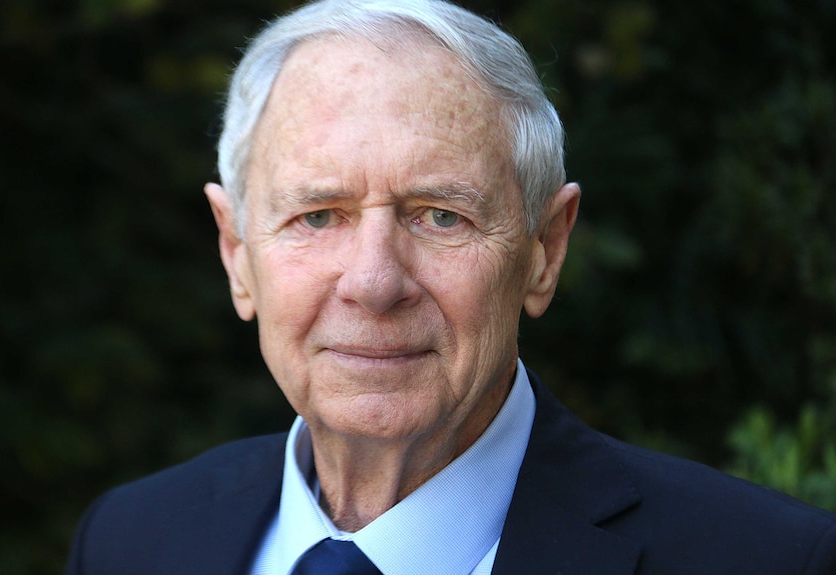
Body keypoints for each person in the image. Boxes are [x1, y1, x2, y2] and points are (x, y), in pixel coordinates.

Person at [65, 0, 836, 573]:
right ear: (237, 252)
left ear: (544, 249)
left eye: (440, 215)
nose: (373, 281)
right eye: (317, 215)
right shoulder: (128, 541)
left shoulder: (768, 559)